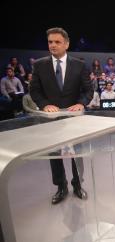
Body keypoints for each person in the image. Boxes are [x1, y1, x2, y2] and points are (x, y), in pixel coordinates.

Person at [30, 27, 93, 204]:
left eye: (57, 42)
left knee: (76, 154)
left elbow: (88, 90)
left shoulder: (80, 65)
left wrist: (81, 103)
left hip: (74, 119)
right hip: (51, 120)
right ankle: (61, 187)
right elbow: (34, 91)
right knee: (54, 155)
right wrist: (44, 104)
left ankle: (78, 185)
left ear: (66, 43)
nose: (53, 45)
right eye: (50, 42)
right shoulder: (39, 65)